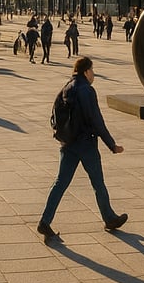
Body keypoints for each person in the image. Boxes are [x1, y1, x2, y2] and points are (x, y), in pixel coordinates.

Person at [37, 56, 127, 241]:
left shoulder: (66, 87)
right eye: (92, 70)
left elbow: (55, 116)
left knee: (60, 183)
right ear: (86, 71)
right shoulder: (87, 90)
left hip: (68, 144)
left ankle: (45, 221)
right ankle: (109, 218)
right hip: (85, 144)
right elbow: (96, 120)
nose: (94, 74)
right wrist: (111, 144)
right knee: (98, 182)